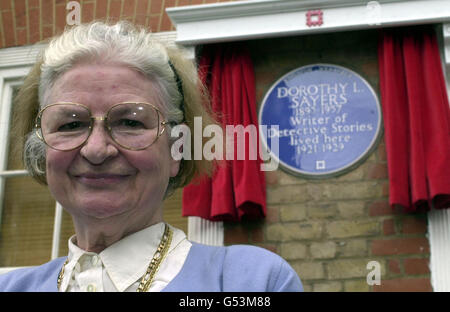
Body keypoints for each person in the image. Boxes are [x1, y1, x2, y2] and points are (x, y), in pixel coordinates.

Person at [0, 21, 302, 292]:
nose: (95, 149)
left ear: (177, 148)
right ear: (41, 148)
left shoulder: (252, 283)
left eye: (130, 122)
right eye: (71, 124)